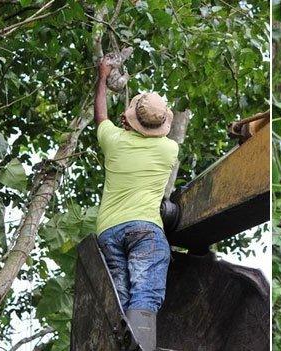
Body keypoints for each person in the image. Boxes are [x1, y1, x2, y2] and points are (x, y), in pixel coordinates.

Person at [94, 57, 179, 350]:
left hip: (108, 231)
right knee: (145, 291)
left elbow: (101, 116)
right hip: (145, 229)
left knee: (119, 294)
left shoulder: (113, 141)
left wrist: (102, 77)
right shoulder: (169, 149)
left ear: (129, 121)